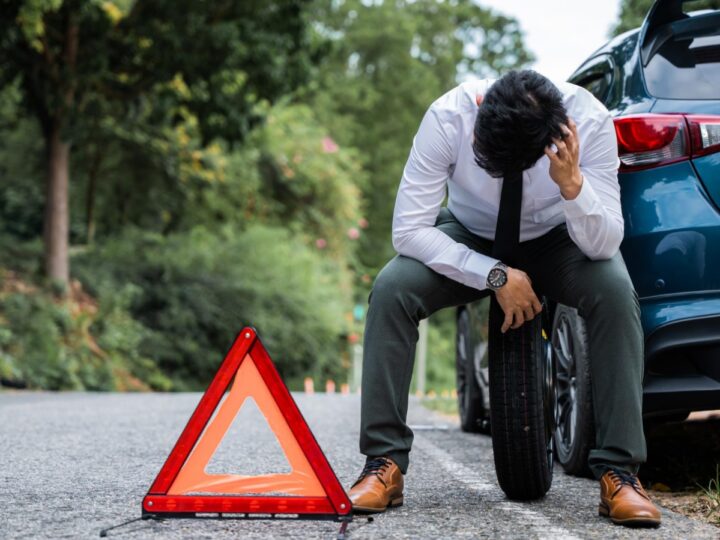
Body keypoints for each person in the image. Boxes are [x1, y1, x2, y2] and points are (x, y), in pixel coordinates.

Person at [347, 69, 661, 528]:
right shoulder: (448, 117)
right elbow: (409, 231)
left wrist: (573, 185)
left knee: (614, 291)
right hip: (472, 235)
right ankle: (384, 464)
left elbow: (602, 245)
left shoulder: (589, 121)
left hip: (561, 237)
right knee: (392, 289)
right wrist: (493, 274)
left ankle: (620, 472)